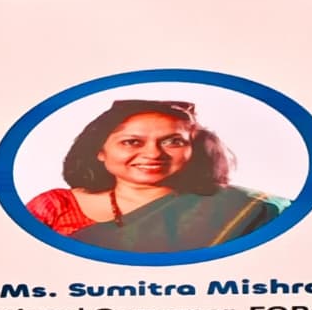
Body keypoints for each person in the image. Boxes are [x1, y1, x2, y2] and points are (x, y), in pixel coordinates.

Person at [27, 99, 285, 252]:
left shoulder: (242, 210)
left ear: (193, 150)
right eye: (131, 142)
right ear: (99, 151)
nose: (153, 154)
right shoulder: (55, 207)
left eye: (173, 141)